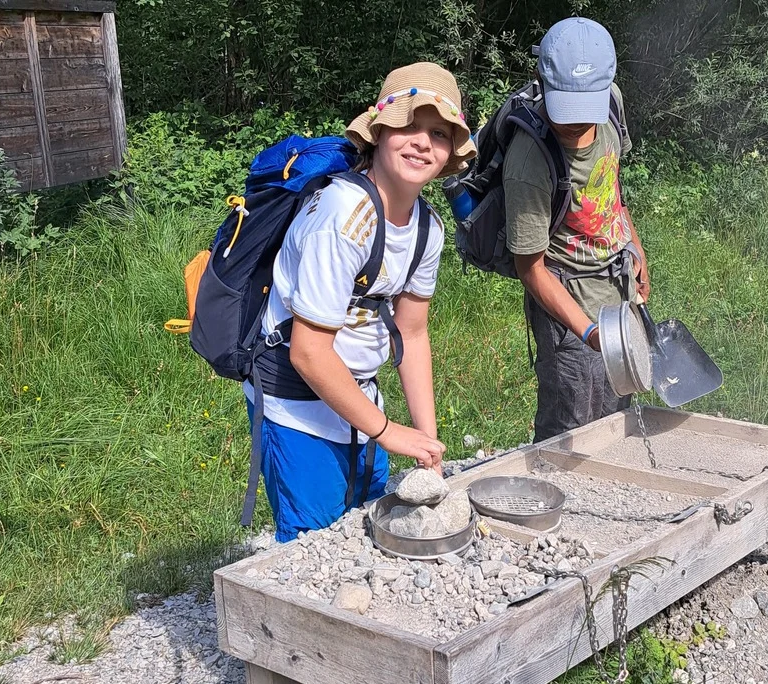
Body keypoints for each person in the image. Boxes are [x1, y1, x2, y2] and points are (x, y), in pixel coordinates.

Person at [246, 62, 477, 542]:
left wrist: (425, 443)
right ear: (378, 133)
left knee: (364, 531)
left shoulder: (427, 229)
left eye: (438, 133)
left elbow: (412, 332)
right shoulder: (342, 214)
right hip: (297, 403)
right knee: (314, 547)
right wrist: (389, 432)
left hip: (360, 400)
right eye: (407, 125)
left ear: (450, 152)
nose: (420, 141)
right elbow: (308, 352)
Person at [505, 18, 650, 442]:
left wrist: (635, 249)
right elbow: (530, 267)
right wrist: (586, 331)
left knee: (616, 412)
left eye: (584, 108)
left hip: (618, 289)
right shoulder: (529, 162)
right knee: (570, 424)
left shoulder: (612, 106)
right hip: (568, 307)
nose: (574, 124)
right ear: (542, 81)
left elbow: (611, 187)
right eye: (565, 107)